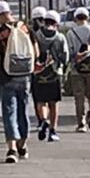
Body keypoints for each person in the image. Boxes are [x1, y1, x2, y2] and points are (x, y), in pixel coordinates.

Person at [0, 1, 39, 163]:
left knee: (9, 111)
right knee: (23, 110)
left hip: (7, 77)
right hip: (25, 76)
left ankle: (12, 149)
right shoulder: (25, 28)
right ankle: (22, 145)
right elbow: (36, 52)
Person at [34, 10, 69, 142]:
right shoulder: (60, 37)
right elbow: (65, 57)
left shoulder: (36, 35)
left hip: (39, 72)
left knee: (41, 101)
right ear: (56, 23)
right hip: (55, 73)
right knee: (53, 103)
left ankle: (43, 120)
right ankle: (53, 130)